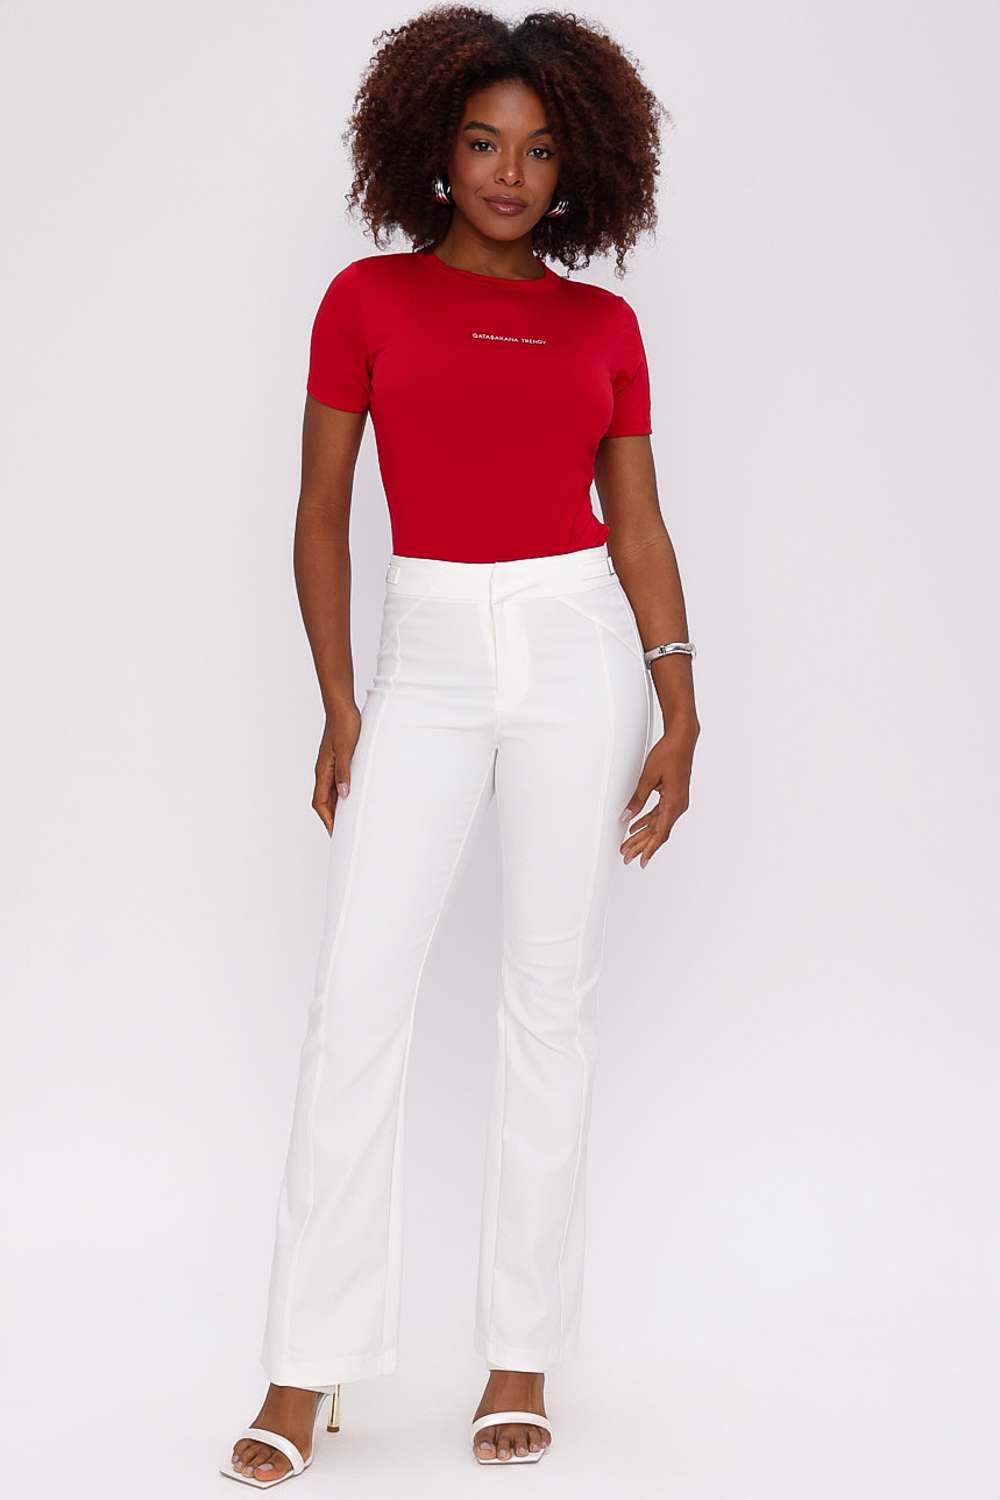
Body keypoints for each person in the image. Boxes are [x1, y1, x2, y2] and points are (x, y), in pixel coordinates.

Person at [222, 5, 699, 1485]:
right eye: (486, 143)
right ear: (434, 147)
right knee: (357, 1000)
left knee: (549, 1003)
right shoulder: (366, 301)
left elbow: (636, 526)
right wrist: (339, 700)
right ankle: (305, 1368)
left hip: (573, 648)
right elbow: (319, 515)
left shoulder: (603, 328)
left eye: (540, 151)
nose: (510, 173)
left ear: (578, 166)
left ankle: (520, 1353)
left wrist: (680, 704)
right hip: (424, 651)